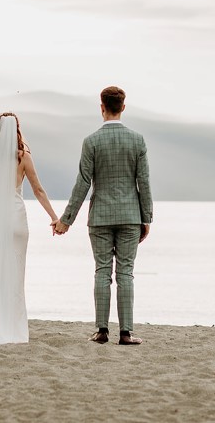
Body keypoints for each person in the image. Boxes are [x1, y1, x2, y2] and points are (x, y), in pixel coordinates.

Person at [55, 86, 152, 345]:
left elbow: (83, 182)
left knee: (101, 272)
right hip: (131, 215)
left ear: (102, 107)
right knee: (126, 274)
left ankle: (101, 331)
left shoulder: (91, 141)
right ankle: (126, 333)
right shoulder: (138, 140)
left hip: (100, 217)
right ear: (123, 107)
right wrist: (147, 218)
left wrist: (67, 219)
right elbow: (144, 182)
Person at [0, 112, 59, 345]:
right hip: (16, 219)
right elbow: (39, 190)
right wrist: (54, 217)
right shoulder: (23, 157)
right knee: (16, 274)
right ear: (17, 130)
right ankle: (13, 327)